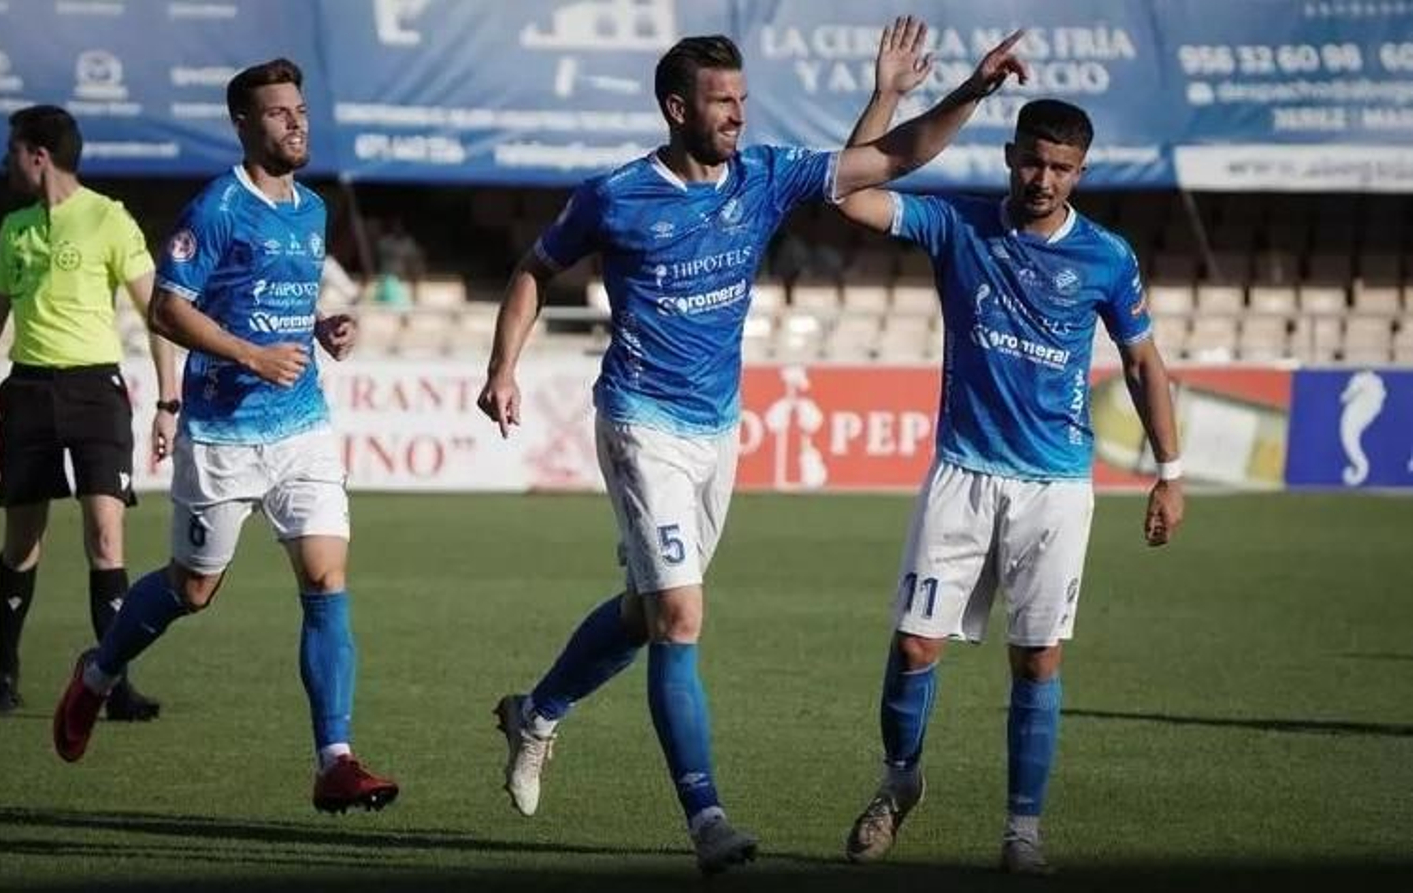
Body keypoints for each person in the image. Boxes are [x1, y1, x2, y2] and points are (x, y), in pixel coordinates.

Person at [476, 19, 1027, 874]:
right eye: (721, 101)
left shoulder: (765, 176)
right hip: (640, 421)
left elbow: (891, 160)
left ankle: (536, 713)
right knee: (681, 615)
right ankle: (707, 820)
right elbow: (534, 269)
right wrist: (503, 366)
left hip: (716, 429)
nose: (738, 113)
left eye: (741, 98)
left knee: (645, 614)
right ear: (676, 109)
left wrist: (967, 90)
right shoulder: (615, 195)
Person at [835, 96, 1186, 874]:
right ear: (1008, 155)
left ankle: (1022, 829)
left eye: (1061, 167)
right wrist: (890, 95)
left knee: (1037, 659)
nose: (1043, 179)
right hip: (963, 470)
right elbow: (850, 194)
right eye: (1032, 160)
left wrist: (1169, 471)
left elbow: (1141, 362)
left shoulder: (1106, 257)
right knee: (915, 643)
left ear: (1080, 172)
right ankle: (899, 780)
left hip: (1054, 486)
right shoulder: (956, 224)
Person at [51, 58, 397, 814]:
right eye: (278, 113)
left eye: (300, 110)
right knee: (193, 589)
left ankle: (335, 761)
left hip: (301, 425)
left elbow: (266, 303)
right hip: (222, 432)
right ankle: (97, 674)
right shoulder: (216, 207)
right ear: (243, 125)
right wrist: (249, 355)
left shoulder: (312, 209)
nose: (296, 123)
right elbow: (167, 309)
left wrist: (319, 328)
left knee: (326, 580)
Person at [0, 104, 179, 721]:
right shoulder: (15, 228)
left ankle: (114, 685)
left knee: (106, 536)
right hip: (29, 391)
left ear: (39, 156)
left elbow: (158, 314)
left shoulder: (109, 218)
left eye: (12, 150)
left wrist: (168, 402)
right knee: (22, 540)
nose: (5, 161)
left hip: (95, 392)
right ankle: (5, 672)